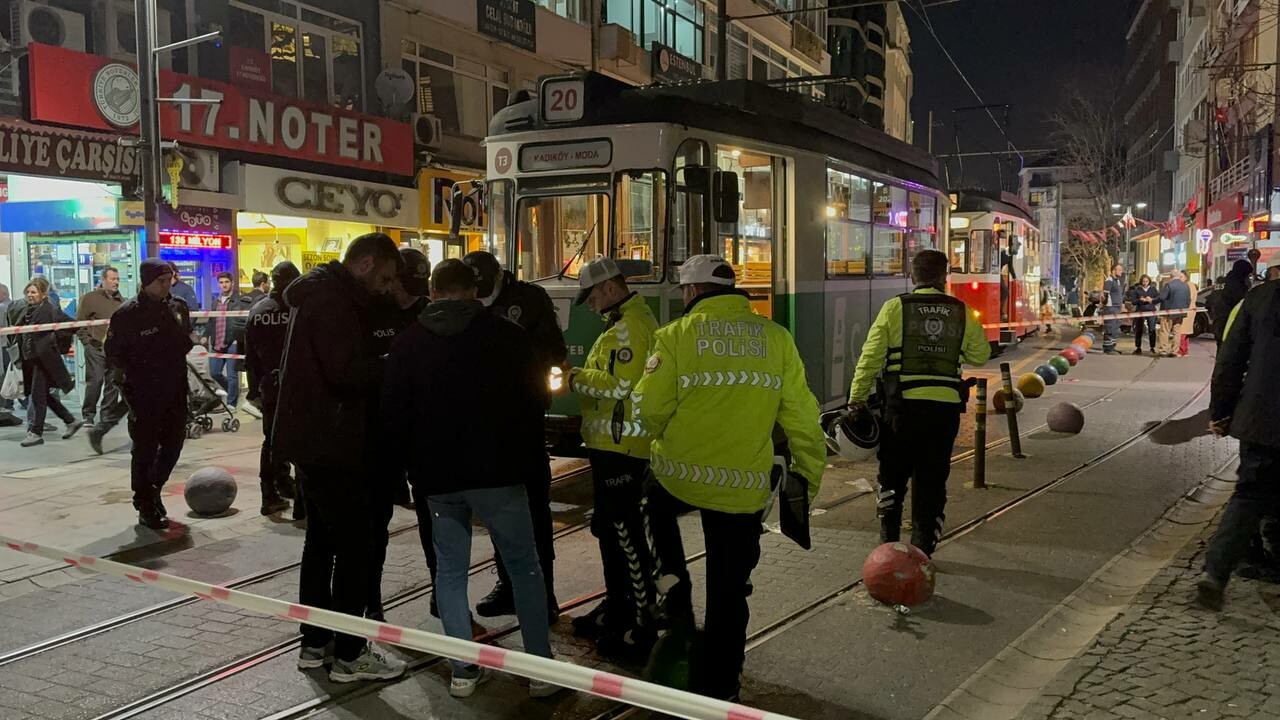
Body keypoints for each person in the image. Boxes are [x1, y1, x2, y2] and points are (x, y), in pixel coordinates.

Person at [634, 254, 826, 701]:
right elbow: (801, 416)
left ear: (691, 292)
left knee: (651, 510)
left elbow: (648, 411)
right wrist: (807, 480)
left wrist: (665, 438)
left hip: (677, 476)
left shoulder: (675, 336)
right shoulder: (776, 338)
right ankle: (721, 688)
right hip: (742, 490)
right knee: (729, 593)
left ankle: (672, 597)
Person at [382, 259, 557, 698]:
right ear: (473, 291)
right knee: (524, 567)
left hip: (438, 479)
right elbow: (535, 400)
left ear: (435, 292)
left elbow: (394, 415)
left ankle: (463, 668)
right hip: (500, 474)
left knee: (450, 571)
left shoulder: (408, 344)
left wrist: (408, 471)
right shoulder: (507, 337)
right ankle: (540, 670)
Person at [272, 232, 405, 683]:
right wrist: (393, 361)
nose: (387, 287)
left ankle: (315, 644)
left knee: (323, 544)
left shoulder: (323, 294)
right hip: (333, 444)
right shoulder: (334, 302)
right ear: (365, 264)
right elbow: (345, 372)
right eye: (385, 276)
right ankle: (350, 653)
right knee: (355, 548)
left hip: (316, 441)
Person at [850, 249, 992, 554]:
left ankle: (888, 544)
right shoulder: (961, 310)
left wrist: (857, 398)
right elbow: (981, 354)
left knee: (892, 475)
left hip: (902, 409)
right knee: (932, 479)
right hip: (943, 412)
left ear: (913, 276)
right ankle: (923, 549)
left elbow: (871, 358)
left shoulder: (894, 308)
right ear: (944, 276)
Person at [462, 250, 567, 620]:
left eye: (484, 288)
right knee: (497, 510)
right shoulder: (469, 303)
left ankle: (544, 594)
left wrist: (514, 359)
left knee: (535, 510)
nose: (479, 296)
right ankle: (508, 583)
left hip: (524, 418)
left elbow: (556, 350)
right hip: (487, 423)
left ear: (499, 278)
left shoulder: (529, 300)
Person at [566, 257, 660, 660]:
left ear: (607, 288)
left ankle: (640, 624)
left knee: (625, 536)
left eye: (590, 296)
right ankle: (617, 607)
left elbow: (623, 384)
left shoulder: (629, 327)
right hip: (612, 446)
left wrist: (573, 377)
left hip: (623, 448)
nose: (588, 304)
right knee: (611, 531)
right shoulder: (623, 322)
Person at [1196, 276, 1280, 611]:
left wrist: (1221, 411)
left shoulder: (1260, 298)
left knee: (1249, 495)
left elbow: (1229, 360)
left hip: (1261, 418)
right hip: (1261, 420)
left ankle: (1215, 573)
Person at [365, 247, 430, 622]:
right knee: (375, 527)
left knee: (436, 522)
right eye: (402, 285)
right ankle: (370, 600)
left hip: (423, 436)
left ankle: (443, 593)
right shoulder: (371, 311)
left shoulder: (426, 312)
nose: (409, 294)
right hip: (383, 435)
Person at [104, 260, 193, 528]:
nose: (167, 286)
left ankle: (154, 489)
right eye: (161, 282)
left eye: (169, 281)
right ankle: (144, 502)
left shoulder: (176, 307)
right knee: (144, 450)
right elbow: (114, 356)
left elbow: (184, 342)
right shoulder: (127, 314)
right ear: (146, 282)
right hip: (144, 394)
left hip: (175, 389)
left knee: (173, 444)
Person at [243, 261, 302, 517]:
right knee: (299, 439)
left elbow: (250, 355)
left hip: (269, 385)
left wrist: (254, 389)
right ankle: (295, 494)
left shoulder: (258, 310)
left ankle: (272, 491)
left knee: (271, 440)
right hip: (296, 385)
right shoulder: (297, 309)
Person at [15, 277, 81, 447]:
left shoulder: (49, 309)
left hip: (44, 359)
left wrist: (59, 339)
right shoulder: (28, 310)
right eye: (28, 292)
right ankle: (70, 420)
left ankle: (35, 432)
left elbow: (70, 323)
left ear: (43, 294)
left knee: (38, 395)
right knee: (44, 395)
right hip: (32, 359)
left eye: (34, 292)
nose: (30, 295)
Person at [76, 267, 125, 429]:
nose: (116, 282)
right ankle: (88, 414)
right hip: (95, 347)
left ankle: (107, 415)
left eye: (117, 279)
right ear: (103, 280)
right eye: (112, 279)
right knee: (95, 380)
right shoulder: (89, 299)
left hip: (115, 349)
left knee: (113, 383)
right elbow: (80, 322)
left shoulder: (122, 302)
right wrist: (86, 341)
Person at [204, 272, 243, 412]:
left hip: (232, 342)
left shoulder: (238, 300)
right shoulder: (216, 301)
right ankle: (232, 392)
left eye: (226, 281)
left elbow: (240, 321)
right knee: (214, 372)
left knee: (232, 375)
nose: (224, 285)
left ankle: (232, 403)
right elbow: (211, 321)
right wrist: (205, 335)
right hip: (217, 341)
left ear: (232, 283)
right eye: (221, 282)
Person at [1209, 259, 1252, 346]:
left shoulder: (1220, 283)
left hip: (1218, 323)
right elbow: (1243, 306)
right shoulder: (1238, 286)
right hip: (1232, 326)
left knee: (1221, 351)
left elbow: (1209, 302)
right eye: (1248, 275)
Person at [1156, 270, 1190, 357]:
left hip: (1168, 312)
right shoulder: (1186, 286)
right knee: (1177, 332)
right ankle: (1175, 350)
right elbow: (1188, 300)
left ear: (1171, 276)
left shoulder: (1169, 285)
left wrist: (1152, 301)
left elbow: (1162, 297)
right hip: (1181, 312)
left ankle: (1163, 350)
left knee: (1165, 331)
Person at [1126, 274, 1158, 355]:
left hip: (1151, 311)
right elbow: (1133, 301)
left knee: (1152, 329)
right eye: (1143, 281)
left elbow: (1158, 299)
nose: (1145, 283)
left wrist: (1151, 300)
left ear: (1149, 281)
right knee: (1139, 329)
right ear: (1141, 282)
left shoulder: (1153, 290)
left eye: (1146, 281)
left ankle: (1152, 347)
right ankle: (1138, 347)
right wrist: (1140, 300)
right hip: (1140, 310)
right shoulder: (1137, 290)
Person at [1101, 263, 1125, 354]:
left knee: (1115, 329)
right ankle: (1108, 348)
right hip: (1110, 308)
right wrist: (1105, 305)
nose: (1121, 272)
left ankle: (1112, 347)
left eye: (1121, 270)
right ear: (1113, 270)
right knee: (1110, 328)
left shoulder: (1117, 281)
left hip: (1117, 308)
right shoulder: (1109, 280)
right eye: (1119, 270)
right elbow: (1105, 295)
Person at [1177, 269, 1198, 357]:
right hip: (1189, 309)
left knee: (1182, 330)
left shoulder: (1188, 285)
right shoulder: (1189, 285)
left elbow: (1189, 298)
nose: (1180, 278)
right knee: (1185, 331)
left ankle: (1182, 350)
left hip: (1187, 310)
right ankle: (1184, 350)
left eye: (1181, 277)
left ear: (1186, 277)